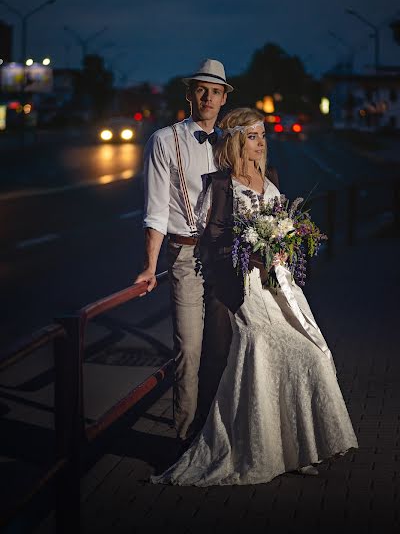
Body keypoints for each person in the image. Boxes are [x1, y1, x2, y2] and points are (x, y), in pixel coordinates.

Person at [151, 107, 358, 486]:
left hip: (279, 285)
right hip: (245, 289)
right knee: (263, 343)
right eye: (253, 136)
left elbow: (285, 229)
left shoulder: (271, 182)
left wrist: (286, 247)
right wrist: (249, 253)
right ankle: (256, 449)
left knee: (311, 352)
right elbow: (210, 242)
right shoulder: (220, 186)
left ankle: (299, 449)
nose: (261, 143)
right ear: (236, 142)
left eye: (263, 136)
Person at [135, 59, 234, 445]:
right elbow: (156, 210)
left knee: (225, 348)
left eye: (216, 91)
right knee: (189, 350)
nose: (208, 97)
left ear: (224, 99)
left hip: (228, 259)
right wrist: (148, 266)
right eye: (201, 89)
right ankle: (184, 438)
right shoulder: (164, 140)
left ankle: (220, 433)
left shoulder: (231, 141)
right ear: (190, 94)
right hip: (186, 256)